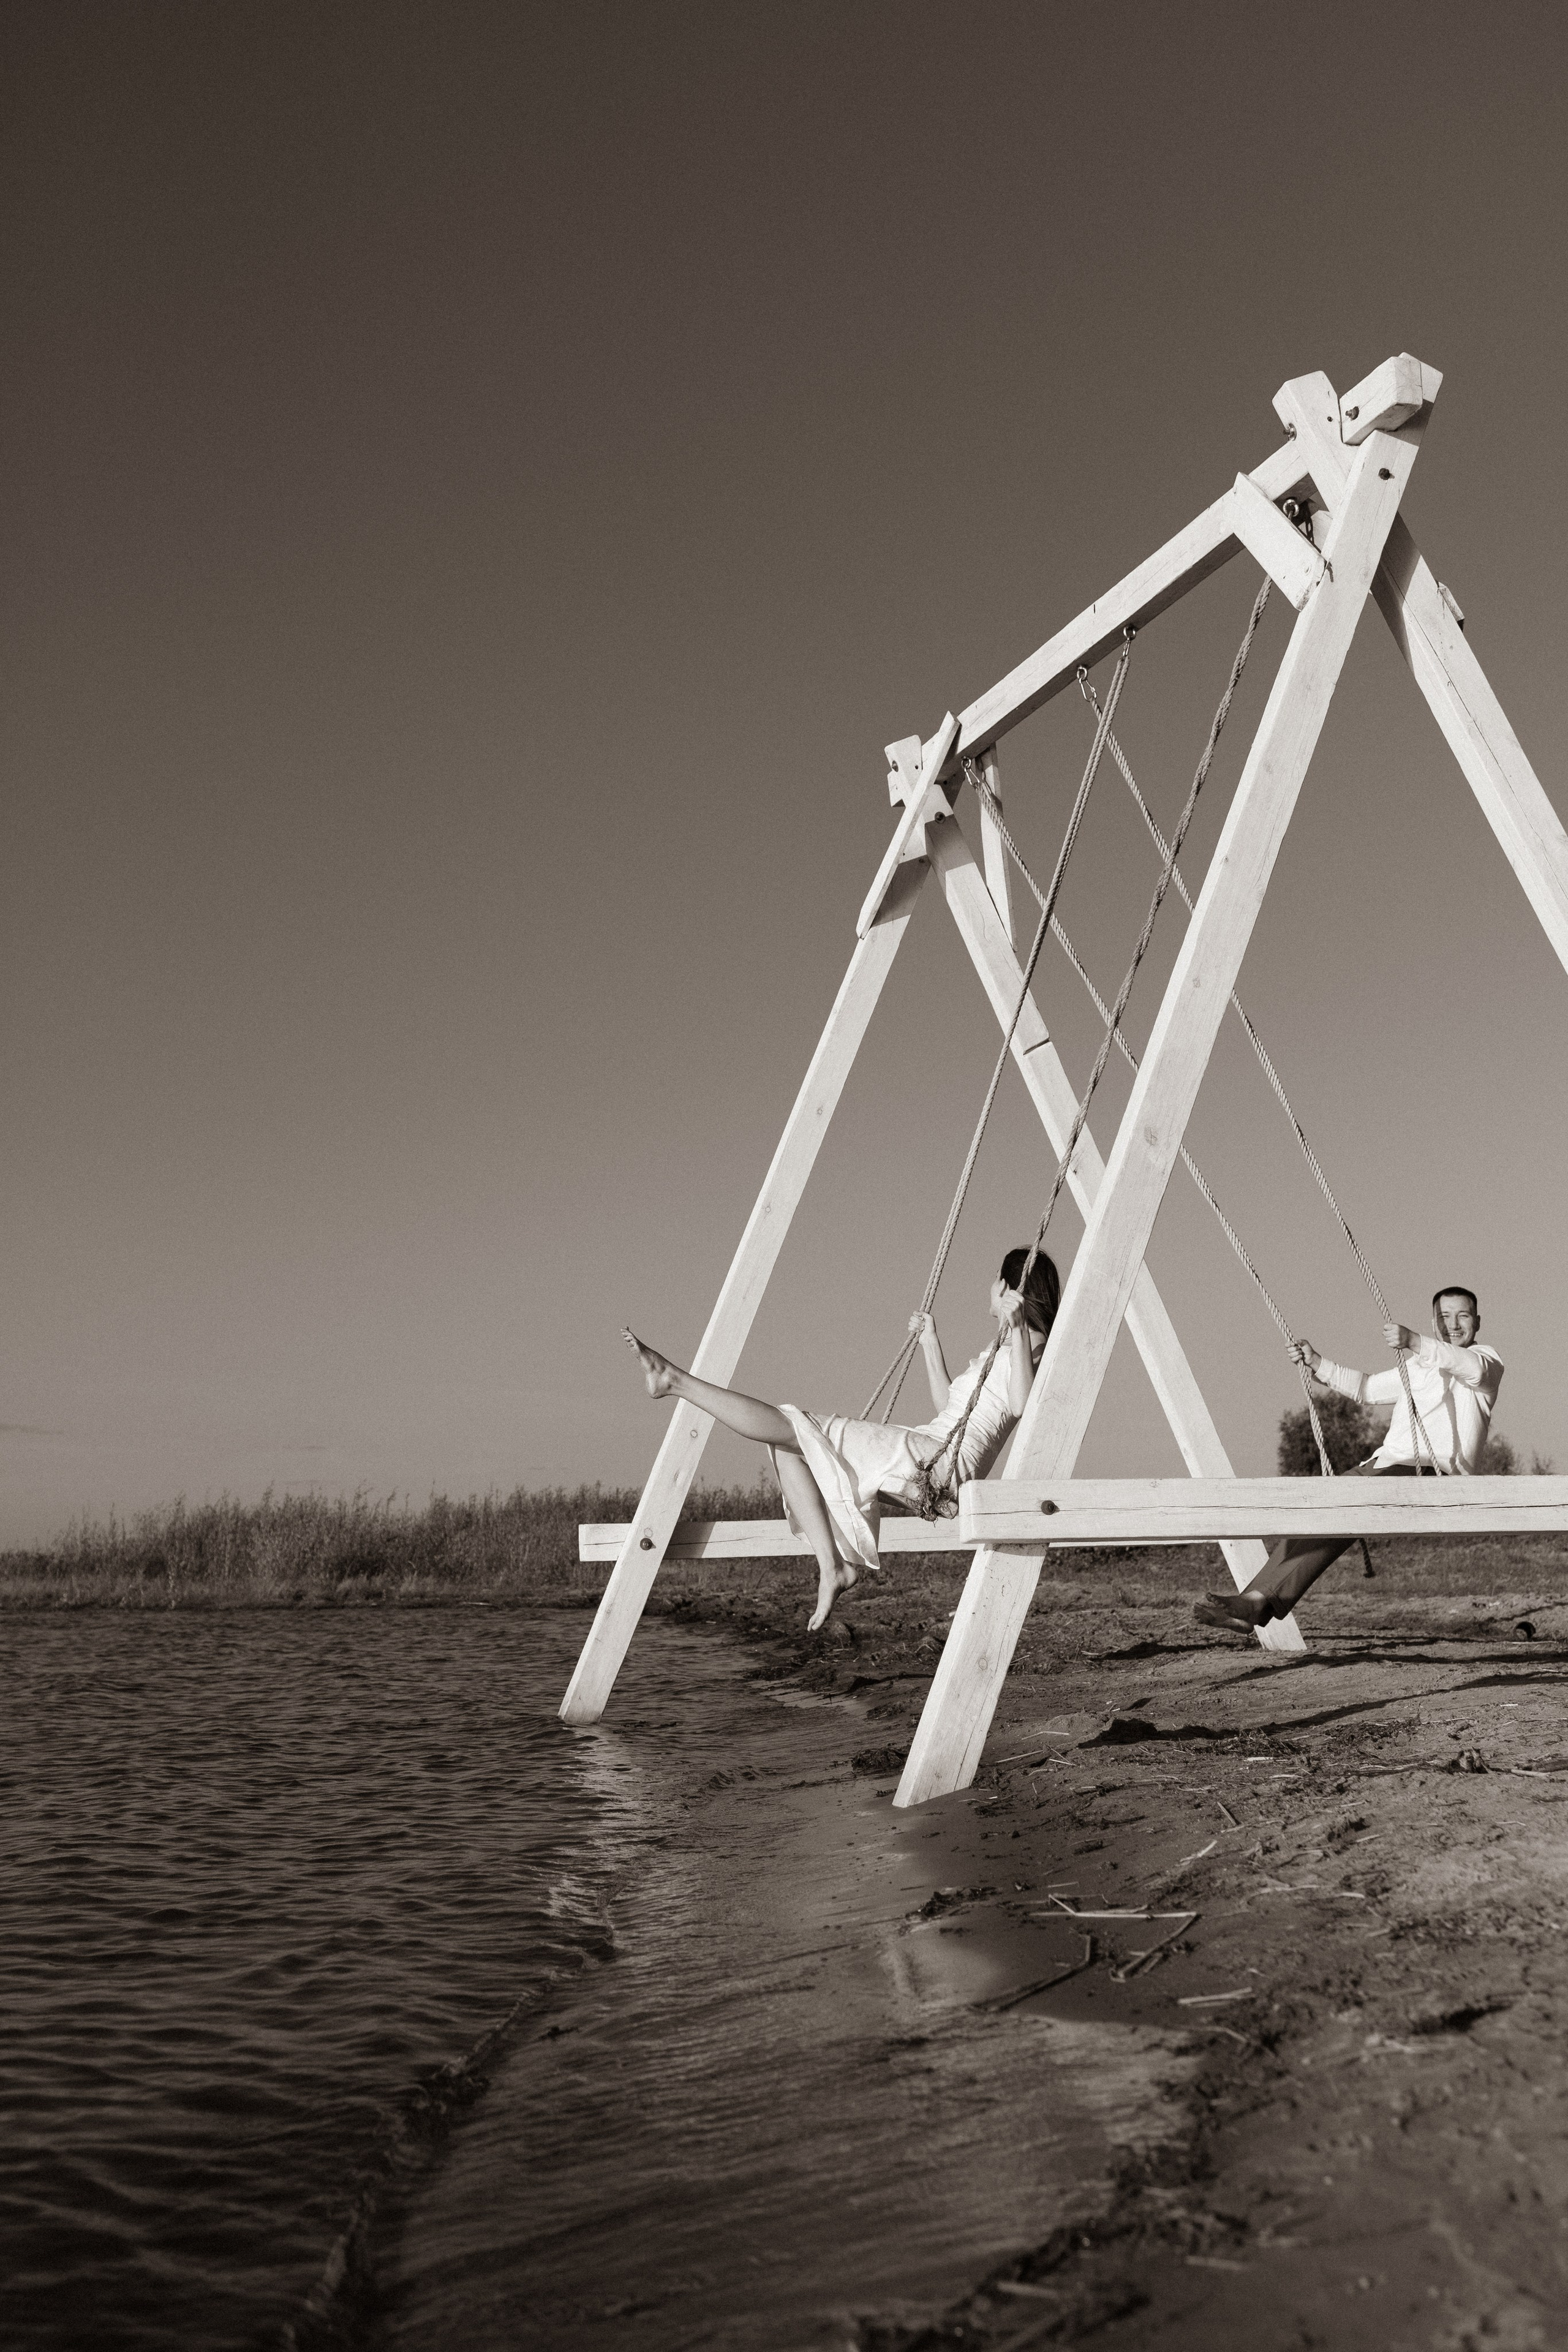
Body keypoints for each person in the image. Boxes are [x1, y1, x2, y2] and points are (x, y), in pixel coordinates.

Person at [625, 1246, 1060, 1632]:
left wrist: (1019, 1327)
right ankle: (833, 1567)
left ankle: (676, 1381)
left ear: (1010, 1286)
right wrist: (931, 1342)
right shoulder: (1002, 1349)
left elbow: (1023, 1404)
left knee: (793, 1424)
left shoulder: (1033, 1348)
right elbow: (952, 1407)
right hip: (930, 1448)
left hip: (943, 1468)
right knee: (788, 1446)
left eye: (997, 1283)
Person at [1194, 1286, 1504, 1634]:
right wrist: (1318, 1364)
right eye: (1444, 1317)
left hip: (1434, 1474)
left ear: (1477, 1322)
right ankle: (1253, 1602)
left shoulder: (1486, 1360)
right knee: (1315, 1512)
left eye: (1462, 1316)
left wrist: (1414, 1340)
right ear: (1434, 1321)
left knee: (1341, 1513)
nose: (1453, 1324)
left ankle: (1256, 1602)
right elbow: (1367, 1389)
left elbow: (1471, 1369)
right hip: (1385, 1466)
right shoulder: (1417, 1367)